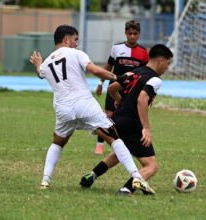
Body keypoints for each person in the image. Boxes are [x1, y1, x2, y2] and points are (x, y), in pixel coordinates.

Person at [30, 24, 154, 194]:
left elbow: (40, 73)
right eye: (75, 40)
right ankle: (137, 177)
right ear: (66, 40)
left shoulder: (47, 62)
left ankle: (45, 180)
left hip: (62, 108)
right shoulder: (76, 53)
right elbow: (95, 70)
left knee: (58, 142)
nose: (76, 43)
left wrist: (37, 63)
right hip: (84, 104)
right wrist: (119, 77)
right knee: (114, 138)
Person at [80, 44, 173, 195]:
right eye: (168, 64)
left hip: (117, 120)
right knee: (151, 166)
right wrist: (146, 128)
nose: (168, 68)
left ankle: (92, 175)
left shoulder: (135, 73)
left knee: (121, 152)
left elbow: (111, 89)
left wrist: (119, 100)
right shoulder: (155, 79)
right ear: (161, 61)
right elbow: (142, 100)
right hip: (132, 124)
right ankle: (127, 189)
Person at [94, 20, 149, 155]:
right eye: (129, 33)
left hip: (131, 92)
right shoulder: (116, 48)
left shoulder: (143, 52)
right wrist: (101, 83)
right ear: (125, 33)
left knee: (128, 118)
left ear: (139, 34)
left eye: (135, 34)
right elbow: (108, 67)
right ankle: (100, 145)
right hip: (114, 88)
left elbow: (146, 73)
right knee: (108, 117)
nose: (132, 36)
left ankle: (124, 145)